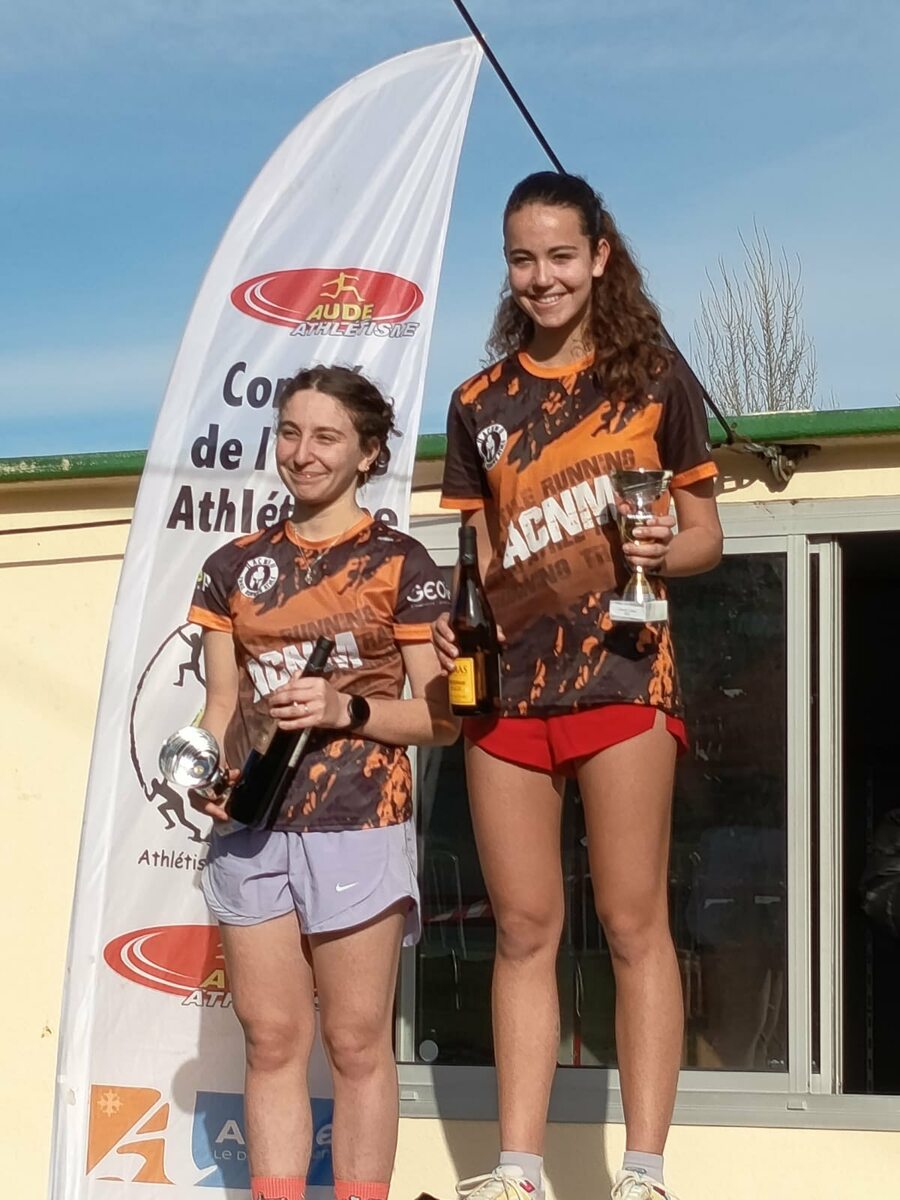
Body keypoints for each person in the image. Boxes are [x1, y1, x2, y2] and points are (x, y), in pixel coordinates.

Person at [433, 172, 723, 1200]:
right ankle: (517, 1169)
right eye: (524, 258)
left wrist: (658, 545)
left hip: (624, 679)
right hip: (507, 696)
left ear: (600, 256)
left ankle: (643, 1172)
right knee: (522, 931)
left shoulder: (657, 380)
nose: (543, 277)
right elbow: (476, 560)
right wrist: (454, 632)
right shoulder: (477, 403)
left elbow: (705, 538)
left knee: (634, 924)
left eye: (561, 255)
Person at [187, 364, 458, 1200]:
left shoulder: (401, 563)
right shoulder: (232, 565)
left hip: (359, 822)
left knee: (354, 1043)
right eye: (291, 433)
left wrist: (348, 708)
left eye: (327, 437)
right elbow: (221, 707)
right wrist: (206, 769)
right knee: (271, 1041)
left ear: (368, 453)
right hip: (251, 831)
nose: (303, 453)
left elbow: (441, 719)